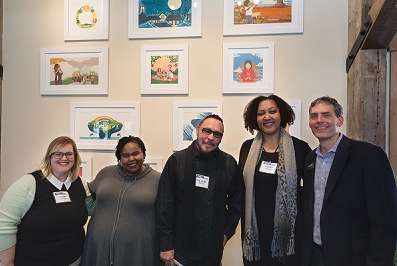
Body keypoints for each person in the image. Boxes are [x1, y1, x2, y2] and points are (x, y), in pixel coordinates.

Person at [299, 96, 397, 266]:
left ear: (340, 120)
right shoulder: (309, 159)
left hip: (352, 257)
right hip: (315, 255)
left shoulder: (369, 155)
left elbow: (384, 218)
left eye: (326, 115)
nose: (319, 120)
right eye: (314, 116)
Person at [157, 114, 242, 266]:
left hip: (213, 250)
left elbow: (237, 202)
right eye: (206, 131)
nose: (210, 137)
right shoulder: (177, 161)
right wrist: (166, 245)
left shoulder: (229, 164)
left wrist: (227, 232)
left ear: (221, 138)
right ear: (197, 130)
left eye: (216, 134)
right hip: (180, 251)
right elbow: (165, 205)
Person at [0, 136, 93, 266]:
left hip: (74, 261)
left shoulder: (79, 183)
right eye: (58, 154)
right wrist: (7, 263)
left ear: (75, 157)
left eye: (69, 154)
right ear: (49, 157)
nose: (64, 158)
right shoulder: (30, 183)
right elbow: (4, 224)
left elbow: (92, 208)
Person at [239, 95, 311, 265]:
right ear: (255, 119)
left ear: (281, 114)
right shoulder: (247, 148)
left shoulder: (300, 148)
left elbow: (310, 192)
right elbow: (241, 189)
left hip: (288, 234)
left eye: (272, 111)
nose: (267, 117)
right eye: (261, 113)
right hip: (255, 231)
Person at [82, 135, 161, 266]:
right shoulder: (106, 173)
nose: (131, 159)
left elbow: (168, 214)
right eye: (126, 155)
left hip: (138, 252)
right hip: (99, 249)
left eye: (136, 153)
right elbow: (85, 192)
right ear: (119, 158)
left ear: (144, 154)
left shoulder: (157, 180)